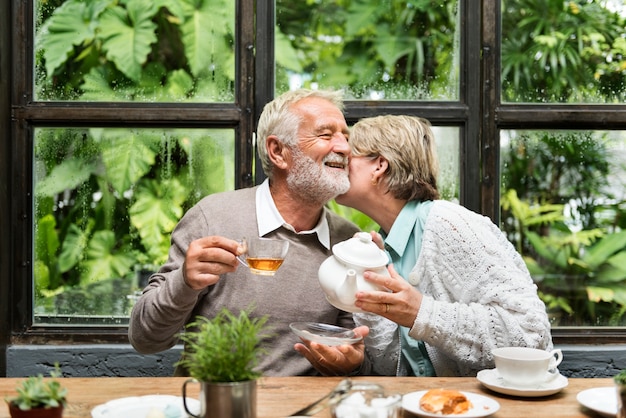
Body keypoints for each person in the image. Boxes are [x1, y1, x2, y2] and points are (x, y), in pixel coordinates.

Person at [128, 89, 369, 377]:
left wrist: (350, 363)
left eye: (346, 135)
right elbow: (145, 338)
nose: (344, 147)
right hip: (218, 402)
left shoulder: (349, 243)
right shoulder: (213, 217)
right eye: (326, 135)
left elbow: (352, 349)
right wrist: (184, 283)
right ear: (278, 151)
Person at [308, 114, 553, 377]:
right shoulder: (383, 248)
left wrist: (421, 312)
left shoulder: (450, 224)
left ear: (379, 166)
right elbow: (392, 368)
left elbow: (531, 334)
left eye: (350, 155)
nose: (340, 162)